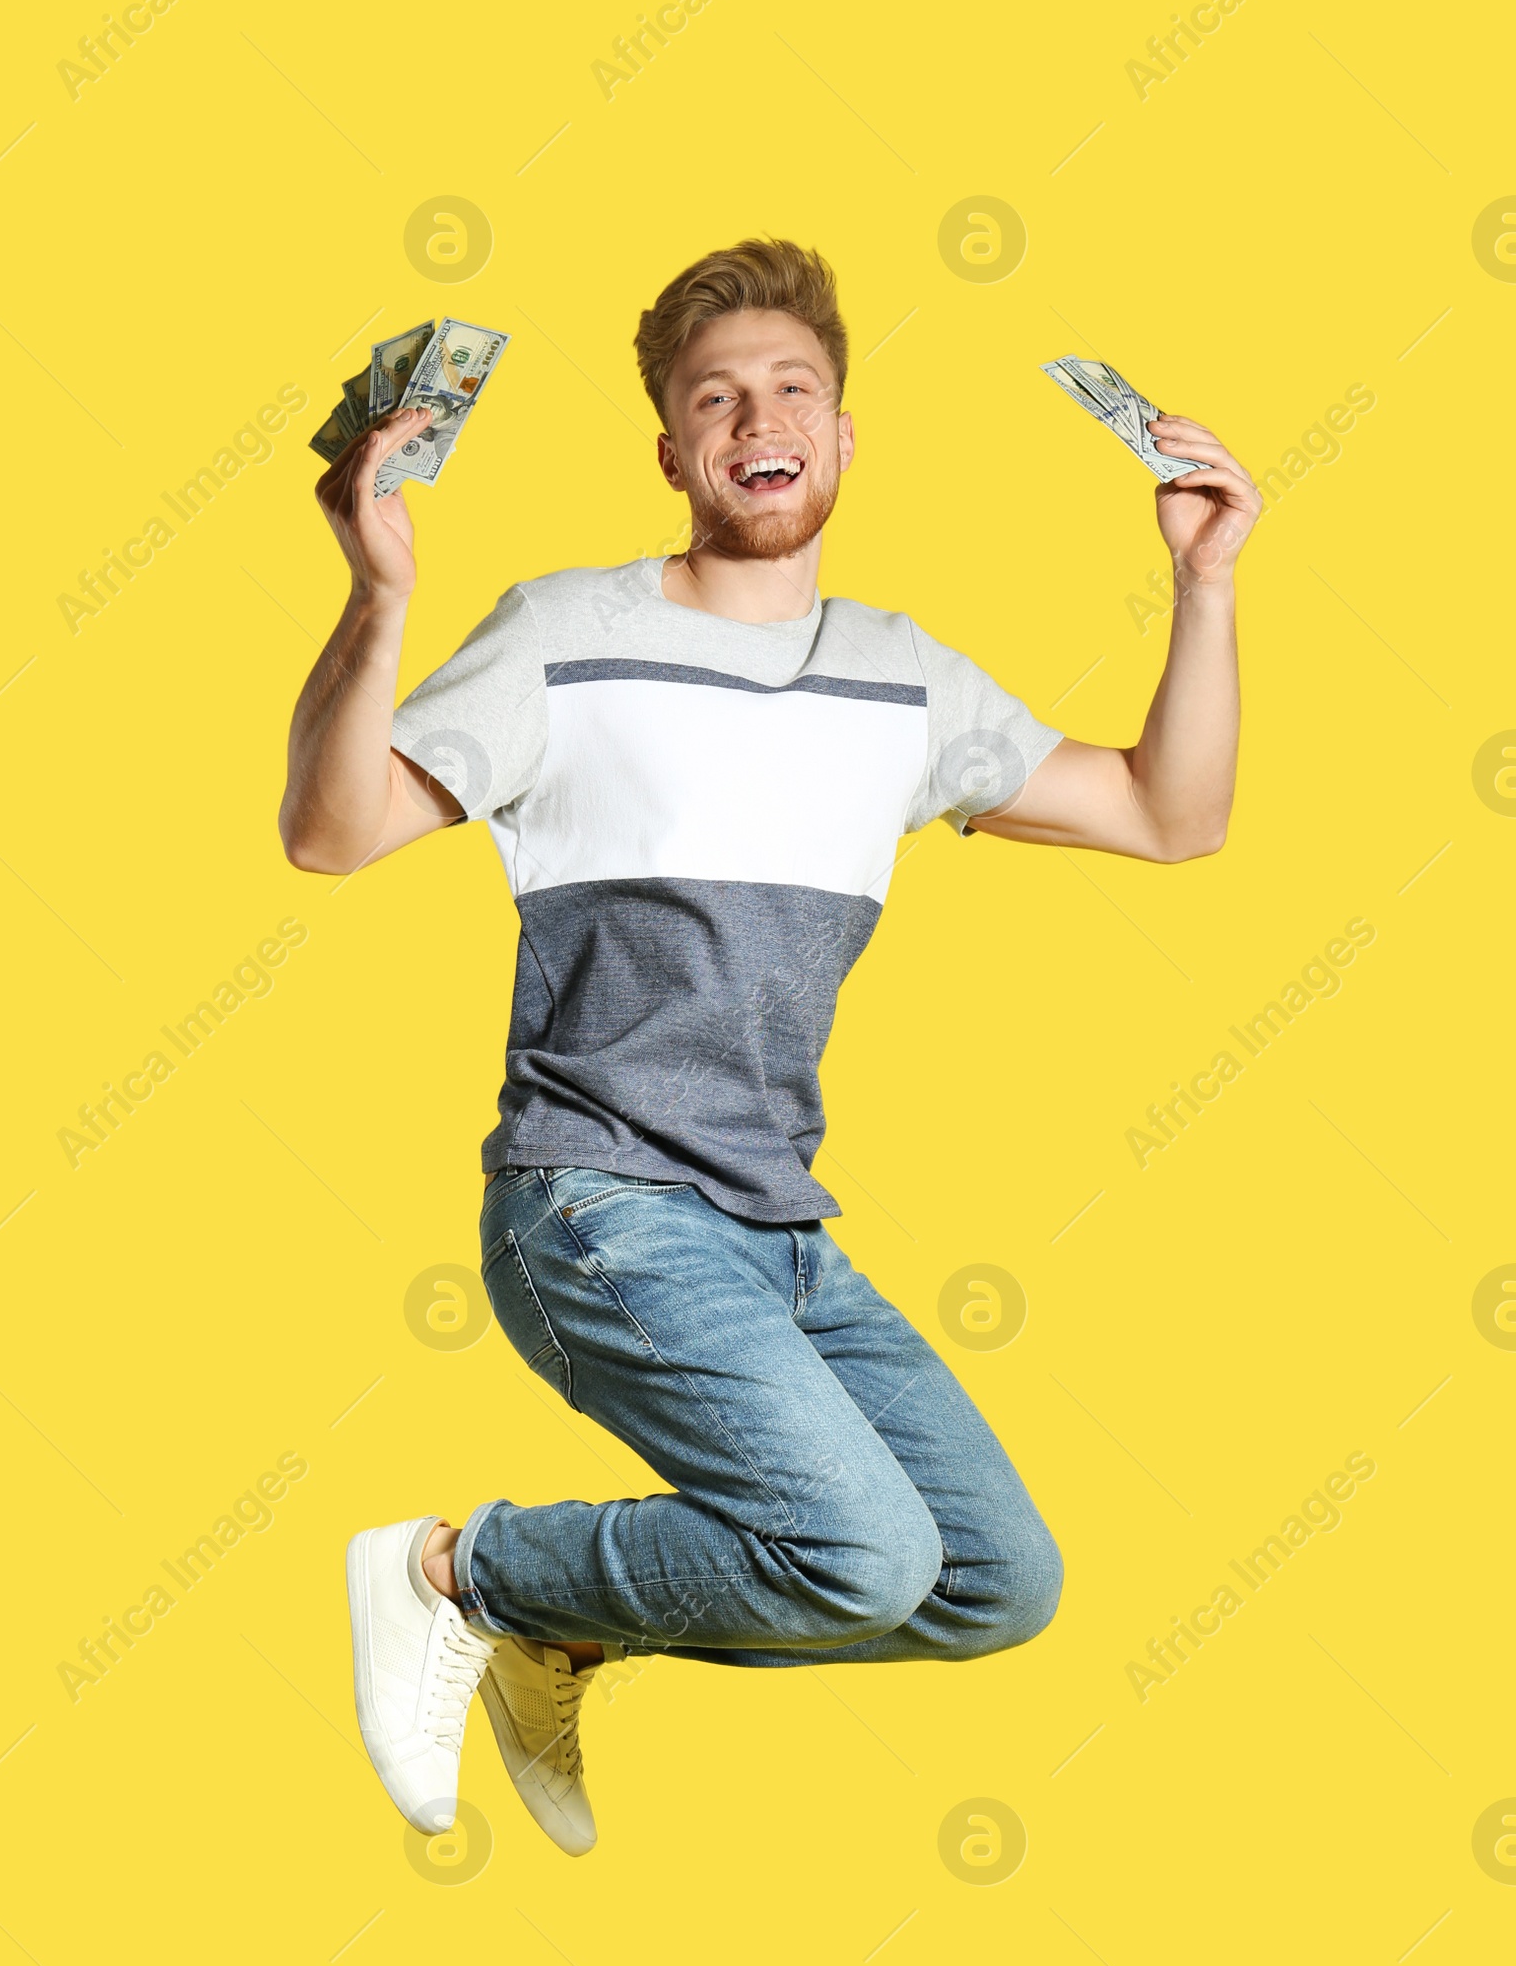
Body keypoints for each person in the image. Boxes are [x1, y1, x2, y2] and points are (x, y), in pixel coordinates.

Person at [279, 239, 1260, 1856]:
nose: (757, 415)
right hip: (593, 1205)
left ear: (843, 433)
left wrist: (1207, 584)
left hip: (781, 1233)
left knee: (995, 1581)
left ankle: (567, 1622)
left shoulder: (902, 675)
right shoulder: (561, 634)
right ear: (673, 450)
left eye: (792, 386)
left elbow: (1174, 813)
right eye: (713, 396)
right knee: (865, 1556)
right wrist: (380, 593)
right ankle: (459, 1567)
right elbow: (331, 832)